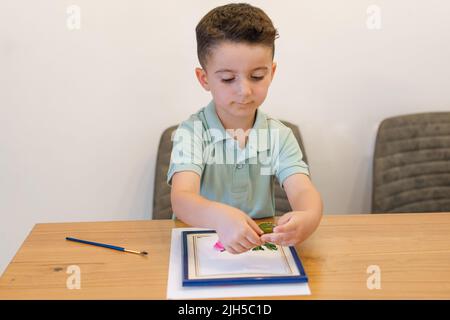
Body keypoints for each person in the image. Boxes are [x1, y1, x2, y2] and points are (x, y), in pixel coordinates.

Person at [167, 3, 323, 254]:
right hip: (199, 244)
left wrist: (310, 215)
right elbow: (182, 198)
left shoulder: (279, 135)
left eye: (257, 76)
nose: (244, 91)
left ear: (271, 72)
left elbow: (303, 189)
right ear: (204, 79)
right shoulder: (191, 132)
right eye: (228, 79)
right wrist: (220, 217)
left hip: (258, 247)